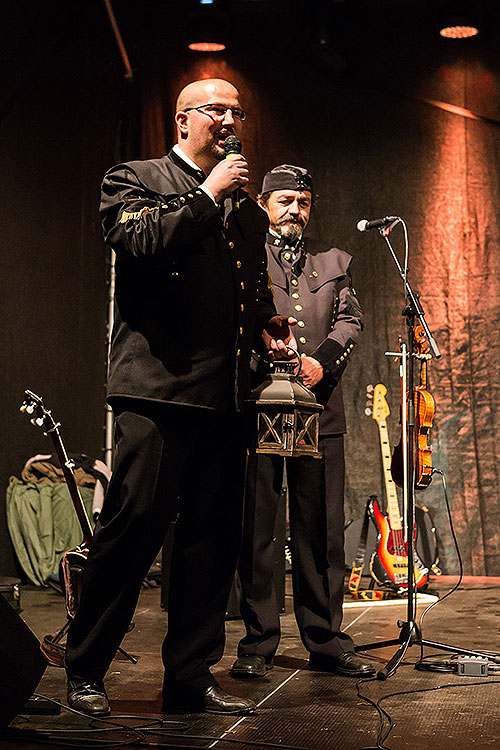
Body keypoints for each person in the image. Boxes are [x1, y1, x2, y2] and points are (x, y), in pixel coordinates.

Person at [65, 79, 297, 718]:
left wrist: (267, 327)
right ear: (184, 118)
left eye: (236, 111)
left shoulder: (249, 215)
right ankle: (85, 670)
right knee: (134, 528)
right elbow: (138, 244)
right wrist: (206, 194)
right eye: (216, 110)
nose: (228, 119)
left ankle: (190, 677)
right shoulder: (135, 179)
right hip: (157, 391)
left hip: (226, 399)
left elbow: (247, 293)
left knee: (210, 541)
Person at [231, 165, 375, 679]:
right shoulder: (245, 252)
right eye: (286, 200)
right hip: (261, 408)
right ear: (266, 203)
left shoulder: (334, 260)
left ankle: (325, 638)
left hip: (320, 408)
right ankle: (257, 644)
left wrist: (323, 359)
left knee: (321, 531)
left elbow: (351, 318)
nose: (296, 209)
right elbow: (235, 310)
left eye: (304, 201)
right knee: (259, 531)